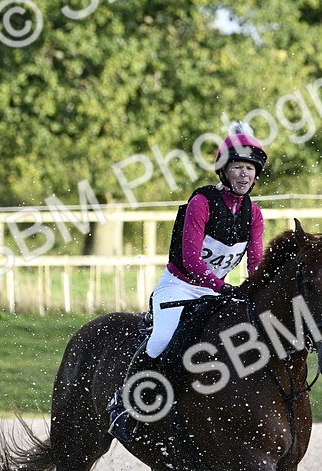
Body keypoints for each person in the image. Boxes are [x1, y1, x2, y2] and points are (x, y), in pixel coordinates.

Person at [108, 122, 268, 442]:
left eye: (249, 169)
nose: (244, 175)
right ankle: (122, 405)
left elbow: (255, 265)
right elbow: (192, 262)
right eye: (237, 167)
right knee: (161, 339)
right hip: (180, 286)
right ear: (224, 171)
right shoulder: (202, 203)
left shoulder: (255, 215)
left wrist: (257, 292)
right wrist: (224, 288)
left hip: (216, 292)